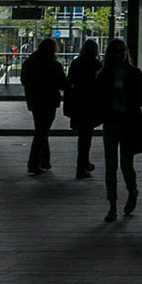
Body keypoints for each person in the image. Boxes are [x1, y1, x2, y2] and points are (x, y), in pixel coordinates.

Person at [96, 38, 142, 222]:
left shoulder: (129, 74)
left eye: (123, 50)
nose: (121, 54)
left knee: (126, 164)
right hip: (114, 122)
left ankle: (131, 190)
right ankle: (112, 205)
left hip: (125, 124)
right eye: (118, 51)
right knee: (111, 166)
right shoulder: (109, 74)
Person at [19, 38, 65, 176]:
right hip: (49, 100)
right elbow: (62, 83)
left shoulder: (30, 62)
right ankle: (34, 163)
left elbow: (24, 80)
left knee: (41, 129)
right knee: (42, 132)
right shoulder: (54, 65)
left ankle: (45, 161)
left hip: (34, 100)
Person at [64, 39, 102, 180]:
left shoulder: (76, 63)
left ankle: (84, 164)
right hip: (91, 104)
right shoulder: (96, 64)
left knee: (83, 137)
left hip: (78, 103)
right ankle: (82, 166)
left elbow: (69, 83)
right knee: (86, 137)